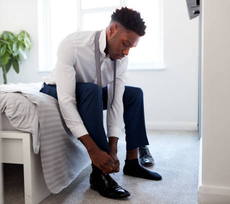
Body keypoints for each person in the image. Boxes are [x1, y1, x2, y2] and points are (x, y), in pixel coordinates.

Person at [40, 7, 161, 199]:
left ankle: (132, 163)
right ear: (112, 30)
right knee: (92, 90)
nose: (127, 52)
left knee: (134, 95)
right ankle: (99, 175)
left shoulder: (121, 59)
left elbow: (115, 102)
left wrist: (113, 147)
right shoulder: (72, 45)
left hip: (91, 92)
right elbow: (67, 100)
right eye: (125, 44)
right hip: (56, 89)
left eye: (131, 47)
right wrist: (94, 150)